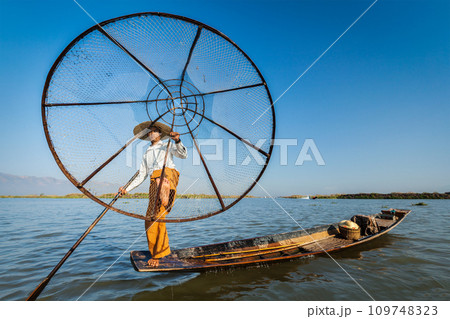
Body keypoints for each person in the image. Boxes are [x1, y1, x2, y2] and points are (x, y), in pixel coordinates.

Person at [119, 121, 188, 267]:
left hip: (167, 177)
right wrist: (126, 189)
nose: (152, 133)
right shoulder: (147, 153)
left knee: (158, 215)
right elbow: (141, 175)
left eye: (155, 131)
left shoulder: (166, 145)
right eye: (150, 131)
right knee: (151, 218)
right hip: (153, 183)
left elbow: (183, 155)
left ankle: (158, 255)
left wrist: (177, 140)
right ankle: (157, 250)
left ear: (160, 134)